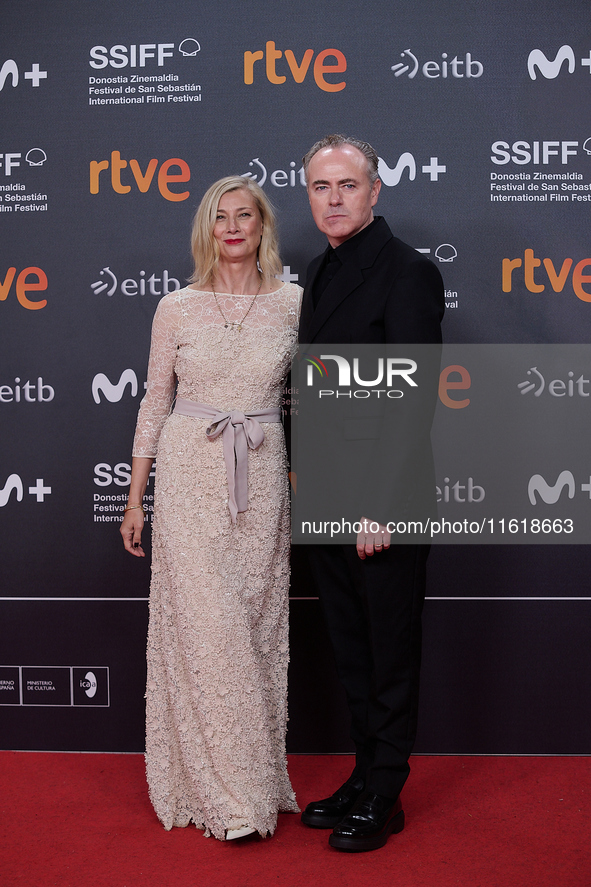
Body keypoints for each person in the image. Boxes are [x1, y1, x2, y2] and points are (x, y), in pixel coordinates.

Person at [120, 176, 301, 841]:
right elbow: (152, 402)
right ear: (206, 228)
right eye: (219, 216)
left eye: (244, 215)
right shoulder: (176, 305)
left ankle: (252, 775)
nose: (231, 226)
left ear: (261, 226)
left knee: (253, 629)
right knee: (208, 628)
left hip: (260, 479)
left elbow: (321, 397)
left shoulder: (292, 304)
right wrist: (136, 496)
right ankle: (231, 798)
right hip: (191, 475)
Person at [298, 135, 444, 852]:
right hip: (323, 496)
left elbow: (411, 403)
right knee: (352, 651)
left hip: (381, 501)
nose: (332, 199)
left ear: (374, 189)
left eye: (346, 185)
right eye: (320, 187)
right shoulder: (315, 272)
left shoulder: (407, 272)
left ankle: (386, 788)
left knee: (388, 650)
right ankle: (363, 773)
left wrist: (379, 505)